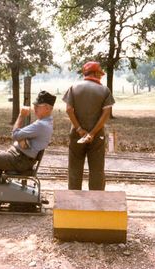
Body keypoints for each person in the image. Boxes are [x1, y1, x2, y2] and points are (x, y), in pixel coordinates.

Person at [62, 61, 115, 191]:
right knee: (97, 170)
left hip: (76, 135)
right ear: (96, 73)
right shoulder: (104, 90)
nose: (101, 76)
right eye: (100, 74)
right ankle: (96, 202)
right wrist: (92, 133)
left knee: (74, 169)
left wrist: (79, 129)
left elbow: (69, 110)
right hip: (96, 137)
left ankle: (73, 202)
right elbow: (106, 113)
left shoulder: (73, 88)